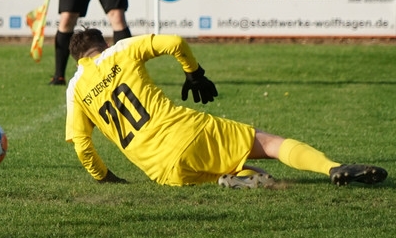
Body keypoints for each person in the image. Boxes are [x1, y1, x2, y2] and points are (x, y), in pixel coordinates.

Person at [64, 28, 388, 188]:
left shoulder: (75, 89)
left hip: (162, 171)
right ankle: (333, 167)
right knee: (269, 143)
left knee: (244, 173)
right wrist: (194, 73)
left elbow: (82, 145)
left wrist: (106, 179)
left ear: (78, 59)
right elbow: (174, 43)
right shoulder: (120, 50)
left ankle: (238, 181)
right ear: (103, 44)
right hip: (185, 132)